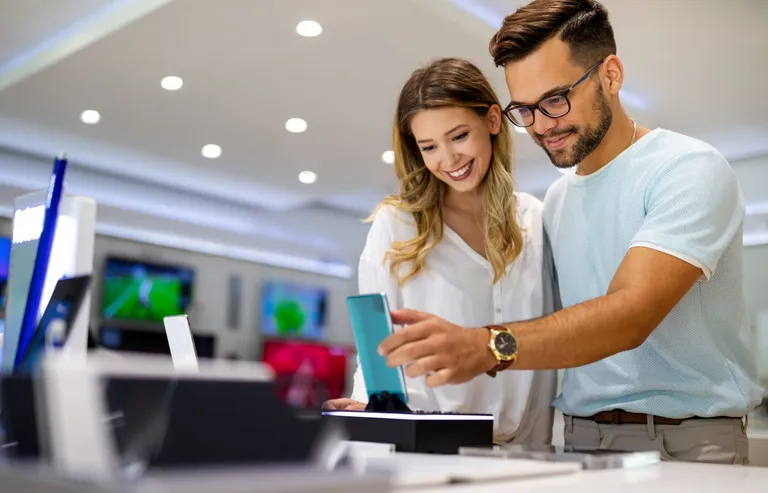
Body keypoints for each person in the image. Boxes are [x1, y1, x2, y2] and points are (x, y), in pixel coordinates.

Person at [377, 0, 764, 464]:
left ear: (611, 76)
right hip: (578, 441)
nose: (541, 125)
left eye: (556, 99)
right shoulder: (555, 203)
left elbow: (629, 315)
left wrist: (487, 345)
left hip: (689, 442)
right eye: (526, 109)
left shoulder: (687, 169)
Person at [323, 57, 558, 445]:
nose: (448, 160)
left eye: (459, 136)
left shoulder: (535, 218)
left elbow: (553, 336)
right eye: (429, 146)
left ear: (493, 121)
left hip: (528, 452)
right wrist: (370, 408)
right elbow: (378, 346)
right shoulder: (397, 226)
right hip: (428, 447)